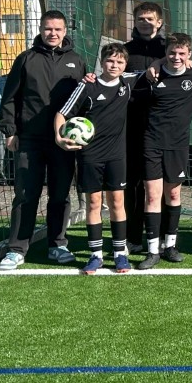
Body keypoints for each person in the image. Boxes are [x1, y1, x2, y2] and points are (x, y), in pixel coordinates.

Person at [0, 10, 87, 271]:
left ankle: (58, 244)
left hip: (63, 141)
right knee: (26, 194)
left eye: (57, 29)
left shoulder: (77, 61)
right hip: (30, 139)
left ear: (65, 31)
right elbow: (10, 97)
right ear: (40, 29)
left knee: (60, 194)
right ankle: (16, 249)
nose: (52, 33)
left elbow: (83, 99)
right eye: (48, 29)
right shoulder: (26, 59)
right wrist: (10, 131)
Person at [55, 42, 135, 275]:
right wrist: (60, 138)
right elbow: (62, 114)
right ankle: (96, 255)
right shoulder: (87, 86)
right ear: (101, 62)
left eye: (120, 62)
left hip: (116, 155)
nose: (114, 65)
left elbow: (155, 69)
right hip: (90, 155)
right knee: (93, 203)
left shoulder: (128, 83)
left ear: (125, 65)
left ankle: (120, 254)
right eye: (110, 60)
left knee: (117, 202)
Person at [134, 32, 192, 269]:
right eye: (172, 53)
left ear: (189, 54)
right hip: (152, 143)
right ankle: (152, 251)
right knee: (152, 196)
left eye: (182, 53)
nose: (176, 57)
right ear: (166, 53)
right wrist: (157, 63)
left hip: (178, 146)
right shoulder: (151, 75)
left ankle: (170, 246)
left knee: (173, 195)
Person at [122, 1, 168, 257]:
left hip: (164, 127)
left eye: (150, 18)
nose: (145, 22)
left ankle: (162, 237)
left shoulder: (169, 50)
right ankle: (132, 237)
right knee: (133, 183)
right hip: (132, 126)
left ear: (159, 22)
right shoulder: (126, 51)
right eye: (140, 18)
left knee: (162, 184)